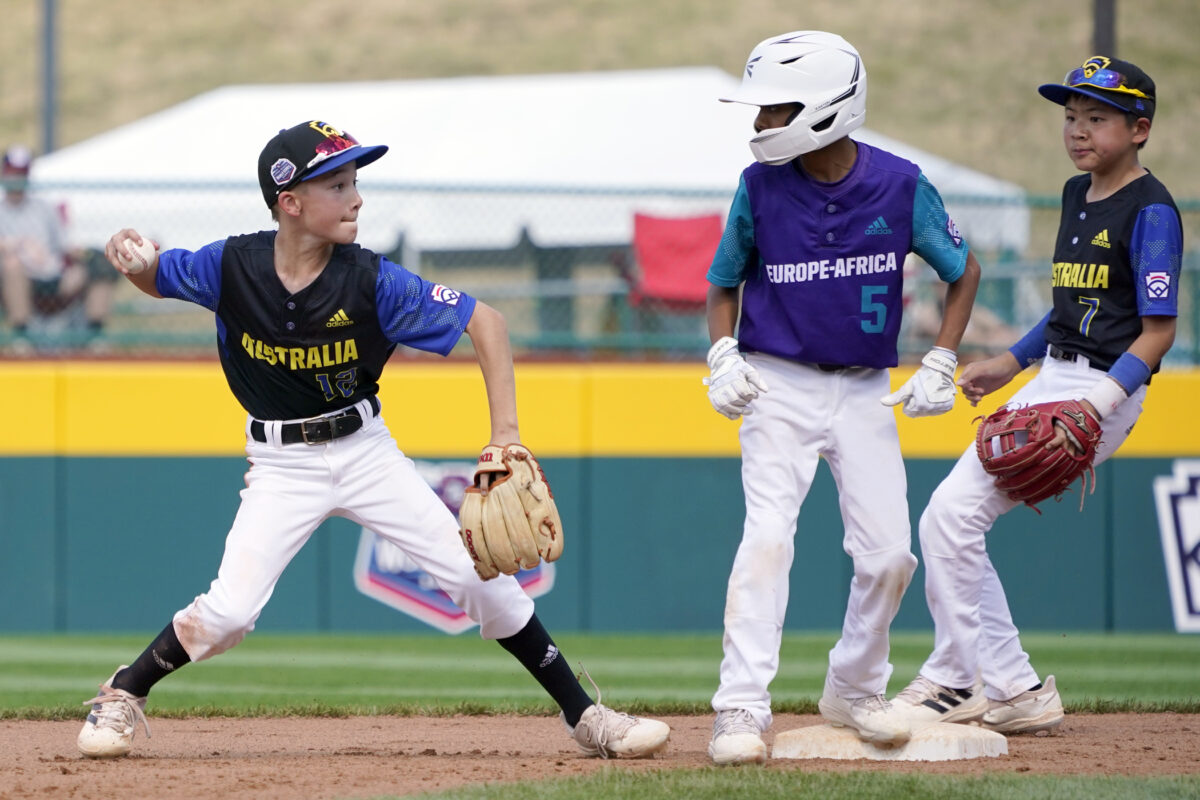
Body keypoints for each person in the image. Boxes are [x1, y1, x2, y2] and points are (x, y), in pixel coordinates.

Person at [76, 120, 670, 760]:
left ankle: (586, 717)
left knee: (477, 580)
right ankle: (122, 694)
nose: (356, 197)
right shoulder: (232, 265)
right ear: (290, 203)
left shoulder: (372, 280)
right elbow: (159, 274)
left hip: (365, 454)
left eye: (355, 181)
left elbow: (487, 323)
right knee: (228, 613)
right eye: (337, 184)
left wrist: (506, 438)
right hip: (281, 463)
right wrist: (134, 261)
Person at [702, 31, 981, 764]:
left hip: (864, 390)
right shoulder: (758, 185)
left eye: (775, 109)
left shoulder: (900, 183)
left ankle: (855, 686)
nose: (761, 123)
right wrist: (722, 352)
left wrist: (942, 356)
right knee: (766, 539)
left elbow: (964, 269)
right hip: (777, 384)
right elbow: (722, 281)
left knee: (890, 556)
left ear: (828, 107)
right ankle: (739, 709)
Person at [891, 56, 1181, 735]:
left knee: (952, 519)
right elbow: (1065, 310)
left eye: (1098, 117)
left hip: (1103, 388)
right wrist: (1011, 363)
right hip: (1055, 374)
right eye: (1071, 116)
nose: (1078, 130)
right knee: (948, 520)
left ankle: (961, 679)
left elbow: (1159, 332)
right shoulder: (1077, 194)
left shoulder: (1153, 212)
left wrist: (1097, 405)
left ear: (1140, 128)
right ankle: (1011, 687)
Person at [0, 146, 115, 352]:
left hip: (54, 277)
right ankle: (22, 337)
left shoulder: (44, 208)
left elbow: (66, 247)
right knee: (11, 265)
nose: (17, 179)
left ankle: (95, 335)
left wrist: (89, 254)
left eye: (21, 173)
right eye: (12, 173)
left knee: (100, 261)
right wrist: (20, 244)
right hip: (21, 280)